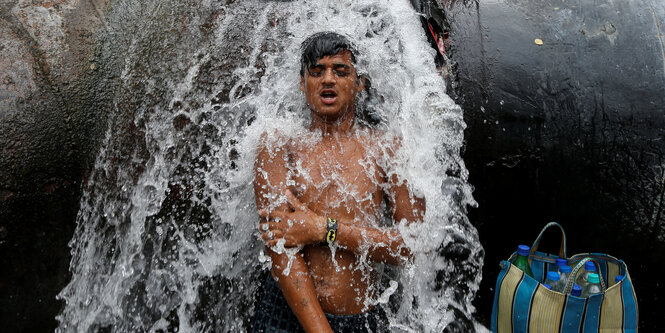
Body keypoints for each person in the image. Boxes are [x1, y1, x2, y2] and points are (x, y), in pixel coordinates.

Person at [251, 32, 426, 333]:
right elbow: (279, 246)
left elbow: (412, 245)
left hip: (363, 320)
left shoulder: (388, 150)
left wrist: (325, 230)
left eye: (340, 71)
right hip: (285, 317)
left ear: (360, 83)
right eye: (316, 72)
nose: (328, 79)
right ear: (302, 83)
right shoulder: (279, 144)